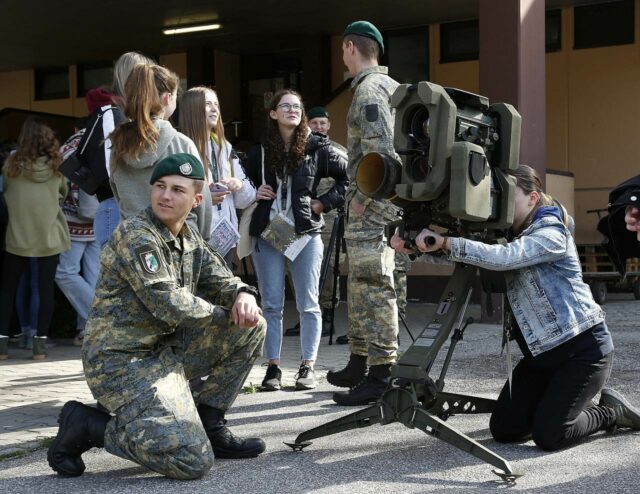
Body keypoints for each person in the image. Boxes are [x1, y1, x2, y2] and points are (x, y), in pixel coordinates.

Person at [47, 153, 266, 480]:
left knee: (252, 326)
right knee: (192, 460)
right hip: (121, 362)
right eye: (160, 186)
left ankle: (210, 424)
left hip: (165, 352)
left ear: (196, 200)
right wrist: (228, 314)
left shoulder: (189, 237)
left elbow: (221, 277)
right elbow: (168, 303)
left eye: (178, 190)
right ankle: (88, 425)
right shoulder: (137, 235)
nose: (165, 195)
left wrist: (243, 295)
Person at [391, 164, 640, 451]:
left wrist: (448, 242)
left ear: (533, 198)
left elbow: (506, 257)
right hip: (540, 358)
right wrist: (420, 247)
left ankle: (610, 412)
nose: (500, 203)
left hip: (583, 353)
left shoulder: (551, 231)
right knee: (505, 430)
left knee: (551, 435)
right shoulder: (509, 235)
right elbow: (475, 257)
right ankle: (557, 406)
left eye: (509, 195)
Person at [243, 90, 348, 391]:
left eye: (297, 107)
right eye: (285, 106)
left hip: (305, 232)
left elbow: (347, 177)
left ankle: (307, 366)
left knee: (308, 303)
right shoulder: (259, 152)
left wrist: (323, 203)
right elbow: (242, 186)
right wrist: (254, 193)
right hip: (269, 230)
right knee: (272, 304)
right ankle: (273, 368)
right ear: (273, 113)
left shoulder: (318, 147)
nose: (292, 110)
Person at [327, 21, 402, 406]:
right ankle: (360, 360)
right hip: (379, 206)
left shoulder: (370, 90)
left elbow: (382, 155)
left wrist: (363, 201)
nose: (343, 56)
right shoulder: (389, 87)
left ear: (350, 47)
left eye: (343, 50)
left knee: (374, 287)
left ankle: (381, 374)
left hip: (373, 207)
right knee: (360, 284)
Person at [109, 63, 213, 239]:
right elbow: (201, 200)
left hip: (133, 242)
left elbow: (117, 194)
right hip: (177, 241)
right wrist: (202, 237)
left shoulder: (118, 144)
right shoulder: (181, 143)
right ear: (167, 98)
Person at [0, 118, 70, 360]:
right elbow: (64, 194)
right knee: (45, 289)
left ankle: (2, 347)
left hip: (17, 236)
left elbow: (5, 189)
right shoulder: (57, 166)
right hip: (49, 236)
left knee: (7, 290)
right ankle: (39, 348)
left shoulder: (11, 164)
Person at [179, 86, 256, 265]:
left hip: (225, 237)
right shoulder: (180, 146)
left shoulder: (224, 148)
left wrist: (239, 184)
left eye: (217, 105)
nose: (215, 109)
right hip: (192, 235)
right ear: (192, 109)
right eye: (207, 104)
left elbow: (246, 199)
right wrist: (205, 197)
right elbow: (171, 196)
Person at [93, 51, 153, 249]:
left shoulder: (127, 115)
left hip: (124, 206)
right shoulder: (113, 113)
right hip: (115, 205)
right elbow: (111, 167)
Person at [55, 121, 100, 347]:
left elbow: (61, 169)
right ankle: (87, 331)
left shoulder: (74, 142)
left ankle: (99, 320)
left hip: (75, 220)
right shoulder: (108, 139)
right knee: (94, 278)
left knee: (64, 272)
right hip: (101, 217)